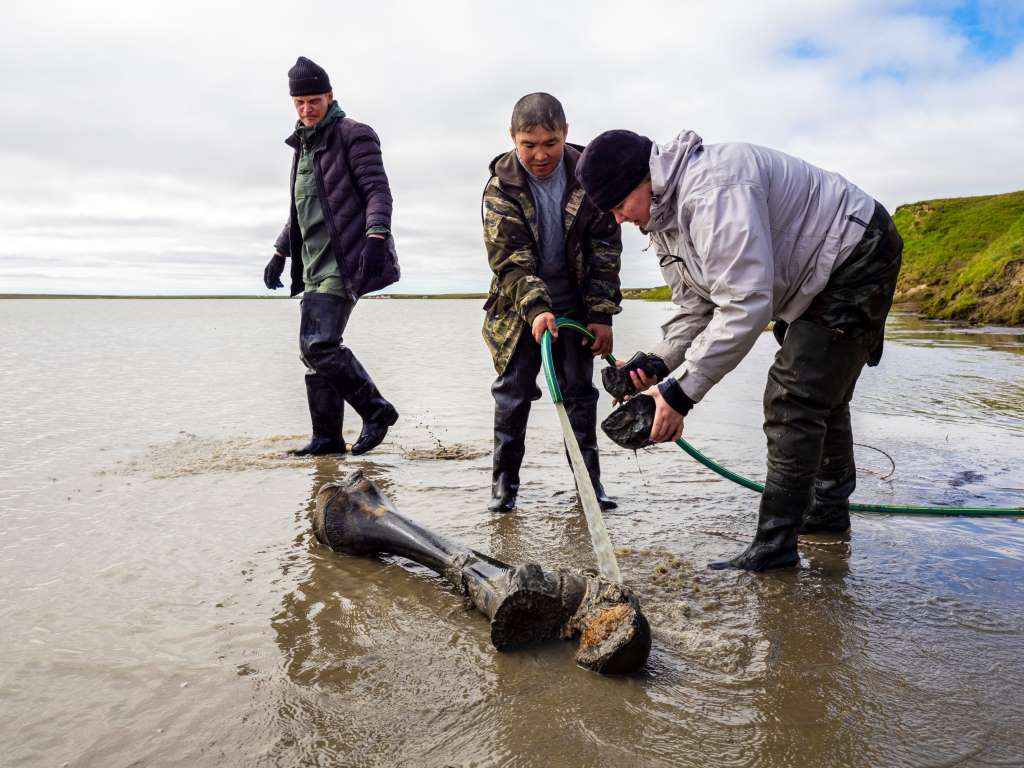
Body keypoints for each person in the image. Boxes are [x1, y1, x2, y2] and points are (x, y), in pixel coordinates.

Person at [575, 129, 902, 570]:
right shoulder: (662, 219)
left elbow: (746, 305)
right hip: (813, 274)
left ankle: (775, 548)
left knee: (794, 395)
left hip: (856, 252)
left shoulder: (713, 192)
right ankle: (825, 513)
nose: (618, 220)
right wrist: (658, 362)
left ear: (643, 180)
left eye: (618, 207)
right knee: (820, 391)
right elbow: (697, 306)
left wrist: (677, 394)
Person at [481, 93, 623, 512]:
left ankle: (588, 488)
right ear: (512, 138)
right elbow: (509, 261)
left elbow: (606, 250)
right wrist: (537, 309)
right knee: (514, 395)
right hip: (518, 309)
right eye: (529, 144)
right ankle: (503, 490)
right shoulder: (499, 187)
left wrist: (600, 315)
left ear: (565, 134)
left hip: (577, 308)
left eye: (550, 142)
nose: (540, 154)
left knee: (580, 395)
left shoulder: (590, 176)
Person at [264, 56, 400, 457]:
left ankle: (377, 410)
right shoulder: (303, 146)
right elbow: (302, 209)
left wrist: (377, 235)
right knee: (312, 353)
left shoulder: (353, 134)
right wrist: (279, 252)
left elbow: (378, 191)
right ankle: (326, 439)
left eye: (314, 101)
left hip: (346, 260)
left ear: (330, 96)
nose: (307, 109)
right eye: (299, 103)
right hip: (311, 264)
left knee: (320, 344)